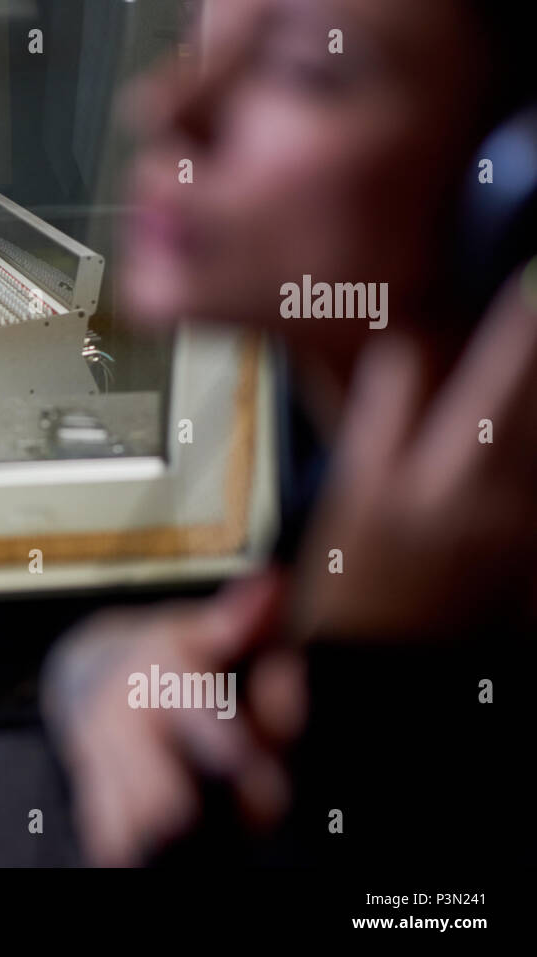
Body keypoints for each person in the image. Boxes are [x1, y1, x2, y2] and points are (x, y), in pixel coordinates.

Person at [41, 0, 536, 867]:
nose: (168, 108)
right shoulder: (345, 464)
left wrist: (382, 689)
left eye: (304, 67)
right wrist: (109, 672)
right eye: (199, 41)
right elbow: (162, 635)